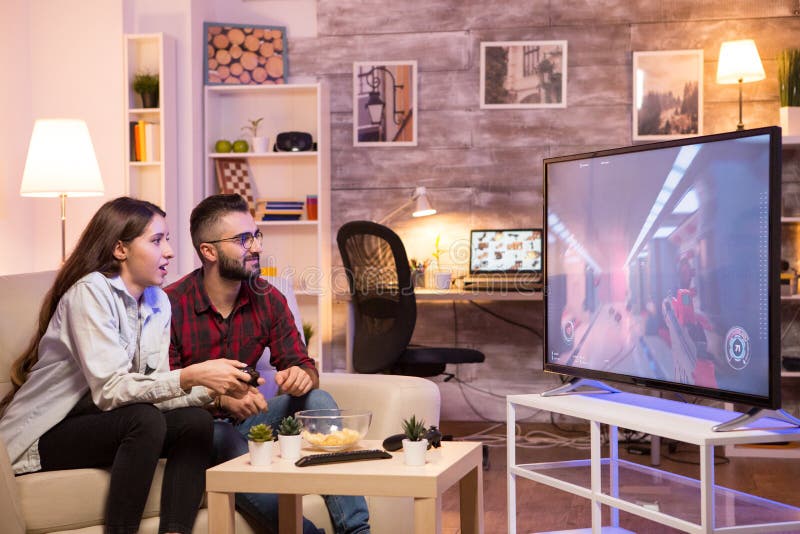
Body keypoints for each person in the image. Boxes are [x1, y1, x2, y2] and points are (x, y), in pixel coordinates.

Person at [0, 197, 255, 534]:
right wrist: (193, 374)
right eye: (157, 240)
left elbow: (156, 390)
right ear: (120, 249)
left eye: (167, 240)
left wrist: (214, 389)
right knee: (143, 419)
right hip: (48, 432)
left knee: (195, 421)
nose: (170, 252)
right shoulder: (89, 294)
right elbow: (110, 391)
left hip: (104, 422)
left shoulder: (157, 301)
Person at [166, 193, 370, 534]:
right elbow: (165, 387)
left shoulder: (268, 297)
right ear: (209, 251)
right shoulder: (171, 304)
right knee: (219, 435)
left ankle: (358, 531)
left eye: (256, 236)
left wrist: (301, 376)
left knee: (318, 400)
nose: (257, 247)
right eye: (243, 240)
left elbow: (302, 365)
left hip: (251, 421)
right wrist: (220, 399)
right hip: (199, 431)